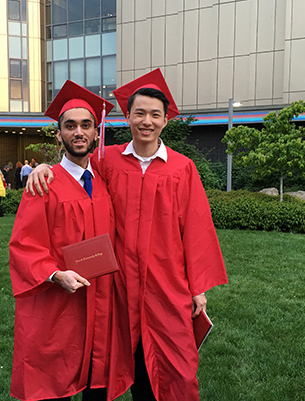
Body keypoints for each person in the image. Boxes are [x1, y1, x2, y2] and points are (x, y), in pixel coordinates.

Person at [27, 69, 228, 401]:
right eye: (139, 113)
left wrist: (198, 288)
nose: (146, 121)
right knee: (119, 359)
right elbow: (76, 174)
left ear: (165, 121)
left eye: (154, 115)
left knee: (172, 367)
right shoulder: (110, 162)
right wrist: (44, 167)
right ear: (128, 117)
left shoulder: (182, 169)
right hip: (118, 287)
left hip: (167, 285)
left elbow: (196, 228)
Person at [8, 80, 132, 401]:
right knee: (55, 378)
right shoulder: (44, 183)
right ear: (60, 133)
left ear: (96, 132)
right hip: (60, 300)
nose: (79, 132)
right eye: (70, 125)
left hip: (101, 296)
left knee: (97, 376)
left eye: (86, 125)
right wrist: (55, 274)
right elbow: (24, 245)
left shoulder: (105, 178)